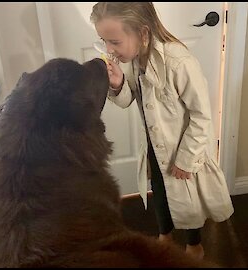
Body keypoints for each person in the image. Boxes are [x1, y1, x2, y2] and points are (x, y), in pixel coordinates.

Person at [90, 2, 234, 260]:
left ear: (143, 33)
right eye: (104, 41)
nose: (110, 50)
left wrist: (187, 158)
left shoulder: (178, 62)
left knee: (187, 198)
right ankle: (165, 235)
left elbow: (202, 115)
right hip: (155, 148)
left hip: (181, 149)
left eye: (115, 42)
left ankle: (194, 244)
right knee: (160, 192)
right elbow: (126, 100)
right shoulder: (135, 60)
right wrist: (118, 83)